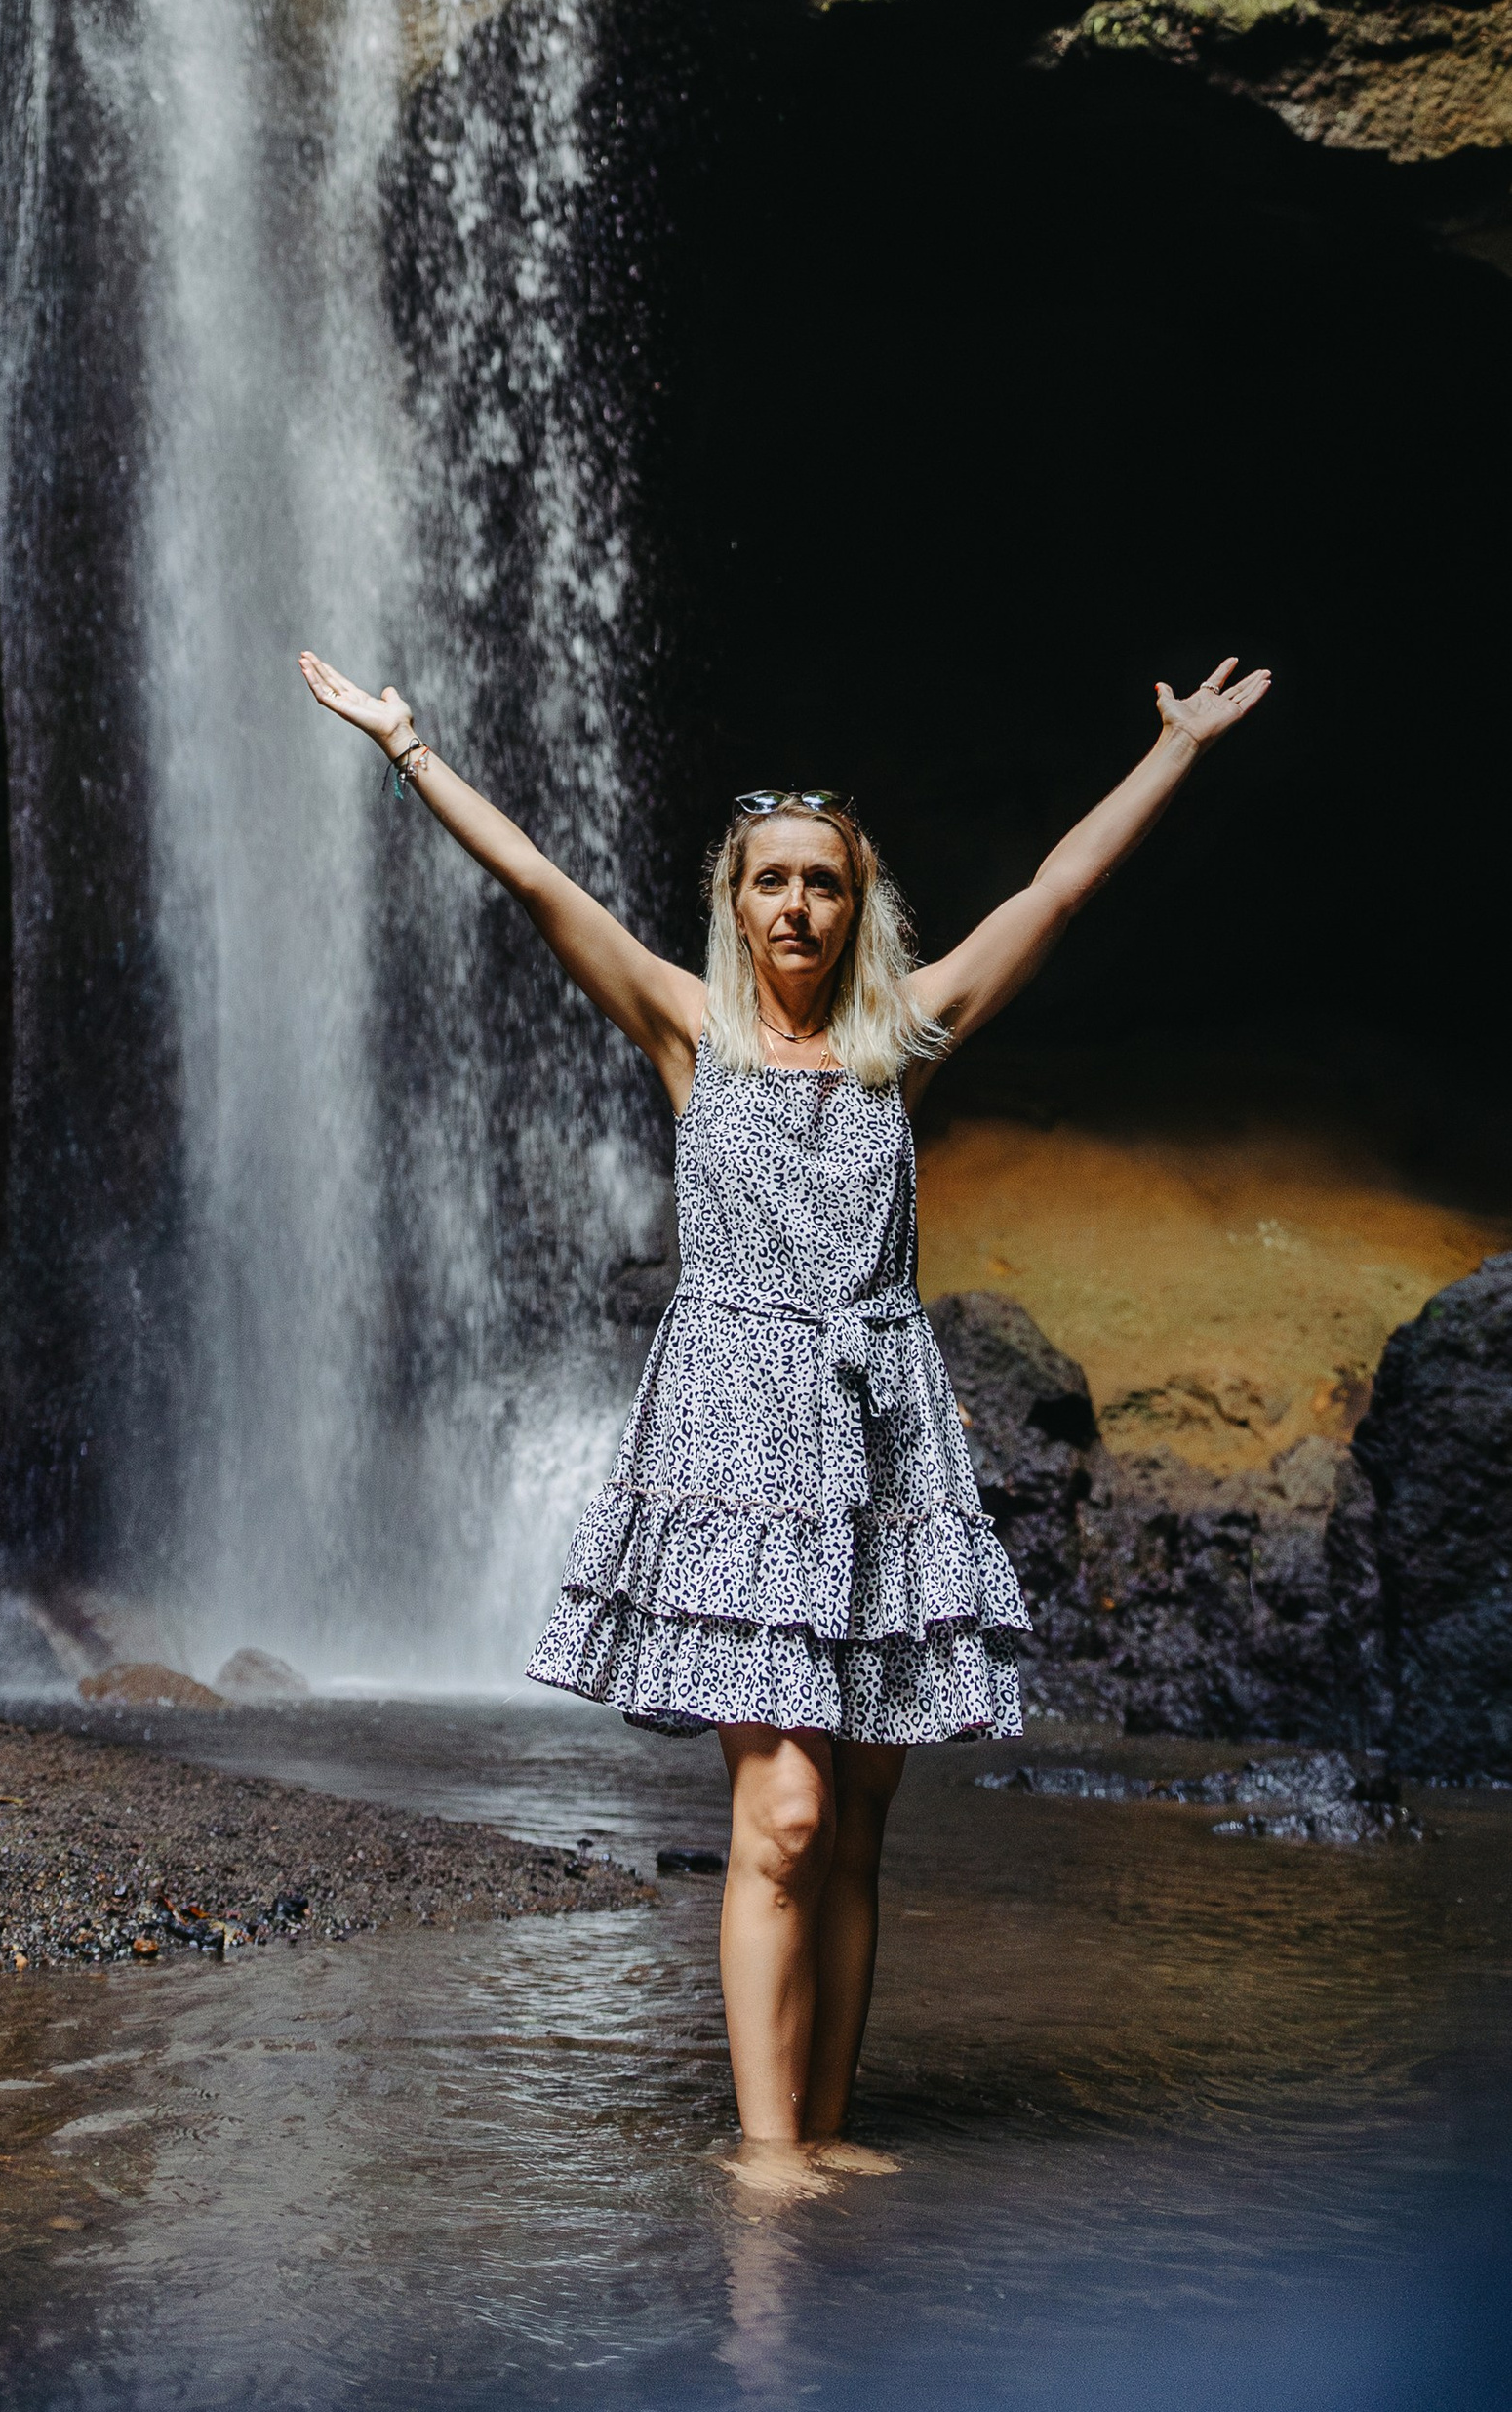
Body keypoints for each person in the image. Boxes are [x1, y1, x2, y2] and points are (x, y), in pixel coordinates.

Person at [295, 648, 1272, 2158]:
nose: (798, 907)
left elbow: (1054, 895)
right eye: (772, 882)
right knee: (788, 1815)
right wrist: (408, 746)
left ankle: (825, 2129)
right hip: (740, 1440)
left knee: (862, 1825)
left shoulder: (901, 1040)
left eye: (824, 881)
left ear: (856, 900)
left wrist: (1177, 751)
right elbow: (543, 883)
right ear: (734, 898)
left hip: (882, 1438)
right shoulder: (689, 1027)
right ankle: (764, 2161)